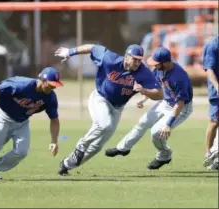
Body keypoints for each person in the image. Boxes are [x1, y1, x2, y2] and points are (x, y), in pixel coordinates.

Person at [54, 44, 163, 176]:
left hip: (117, 108)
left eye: (140, 59)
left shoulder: (143, 72)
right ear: (126, 57)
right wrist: (70, 52)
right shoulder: (110, 59)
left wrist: (145, 91)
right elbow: (93, 47)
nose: (137, 62)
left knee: (97, 146)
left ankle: (66, 165)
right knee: (104, 124)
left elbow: (159, 94)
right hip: (100, 98)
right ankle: (81, 146)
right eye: (135, 59)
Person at [105, 47, 193, 169]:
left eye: (156, 64)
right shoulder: (160, 69)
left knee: (156, 132)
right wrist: (145, 98)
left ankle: (164, 155)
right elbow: (155, 87)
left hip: (181, 108)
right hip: (165, 102)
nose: (154, 66)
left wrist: (168, 124)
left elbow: (180, 103)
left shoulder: (179, 77)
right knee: (142, 122)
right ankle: (122, 149)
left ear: (166, 62)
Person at [202, 35, 219, 169]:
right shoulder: (213, 45)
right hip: (217, 92)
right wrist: (217, 87)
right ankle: (208, 153)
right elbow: (209, 69)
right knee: (214, 122)